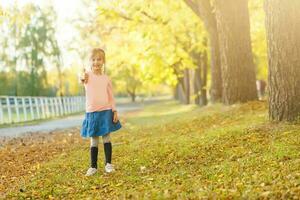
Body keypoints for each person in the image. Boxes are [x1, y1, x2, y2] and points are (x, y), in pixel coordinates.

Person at [79, 48, 122, 176]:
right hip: (92, 112)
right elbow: (81, 78)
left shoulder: (106, 78)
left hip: (106, 111)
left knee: (107, 138)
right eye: (93, 60)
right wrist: (82, 76)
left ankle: (108, 164)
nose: (96, 62)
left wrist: (114, 110)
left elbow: (110, 96)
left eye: (99, 59)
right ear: (90, 62)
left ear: (103, 61)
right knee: (94, 140)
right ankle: (93, 167)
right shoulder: (87, 75)